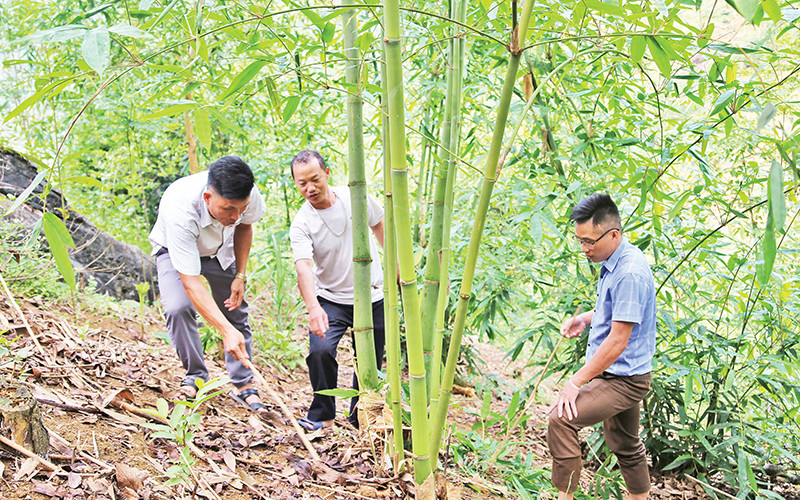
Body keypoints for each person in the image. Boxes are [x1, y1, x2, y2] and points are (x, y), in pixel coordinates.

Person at [547, 193, 656, 499]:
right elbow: (619, 313)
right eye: (579, 241)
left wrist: (575, 382)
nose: (584, 249)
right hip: (621, 372)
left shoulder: (630, 272)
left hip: (623, 379)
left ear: (613, 234)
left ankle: (564, 496)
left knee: (560, 420)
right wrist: (585, 318)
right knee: (625, 443)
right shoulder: (616, 260)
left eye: (589, 241)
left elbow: (618, 341)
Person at [149, 155, 269, 413]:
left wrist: (241, 275)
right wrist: (225, 331)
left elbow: (244, 227)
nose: (236, 215)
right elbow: (191, 284)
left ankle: (243, 383)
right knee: (178, 308)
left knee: (235, 308)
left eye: (242, 207)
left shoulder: (246, 194)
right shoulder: (180, 208)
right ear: (207, 198)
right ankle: (195, 375)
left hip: (220, 249)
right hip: (174, 250)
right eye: (228, 209)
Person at [288, 150, 385, 431]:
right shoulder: (302, 222)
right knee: (319, 351)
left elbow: (378, 222)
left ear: (327, 173)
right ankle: (322, 416)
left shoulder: (354, 197)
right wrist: (313, 308)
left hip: (371, 295)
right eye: (301, 183)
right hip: (331, 298)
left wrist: (397, 264)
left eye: (315, 179)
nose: (310, 188)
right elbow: (304, 267)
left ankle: (360, 418)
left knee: (369, 361)